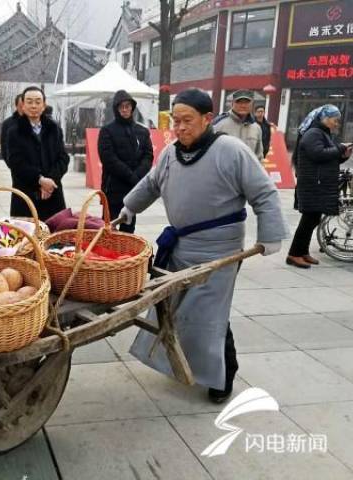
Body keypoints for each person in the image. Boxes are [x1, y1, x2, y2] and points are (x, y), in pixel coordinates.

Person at [121, 88, 287, 404]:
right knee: (176, 310)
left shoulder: (231, 150)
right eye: (175, 121)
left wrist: (270, 234)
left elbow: (264, 193)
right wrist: (130, 206)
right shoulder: (171, 152)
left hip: (220, 251)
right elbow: (152, 182)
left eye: (187, 121)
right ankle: (184, 362)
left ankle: (224, 375)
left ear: (207, 118)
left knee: (210, 316)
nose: (180, 127)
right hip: (181, 247)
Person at [287, 105, 353, 269]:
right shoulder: (313, 133)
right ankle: (294, 254)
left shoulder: (322, 133)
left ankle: (303, 252)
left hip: (317, 183)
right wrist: (339, 148)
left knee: (313, 219)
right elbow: (317, 154)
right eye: (335, 120)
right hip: (312, 184)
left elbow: (327, 159)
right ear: (324, 118)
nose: (337, 124)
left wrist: (343, 156)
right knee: (308, 220)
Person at [6, 86, 69, 221]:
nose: (33, 106)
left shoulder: (54, 129)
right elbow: (16, 163)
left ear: (44, 105)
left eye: (37, 101)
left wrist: (50, 181)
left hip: (53, 195)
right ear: (22, 105)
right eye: (29, 102)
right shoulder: (14, 132)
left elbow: (63, 158)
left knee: (54, 238)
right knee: (27, 239)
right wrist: (39, 180)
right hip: (26, 197)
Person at [98, 90, 153, 233]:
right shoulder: (107, 131)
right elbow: (108, 159)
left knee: (129, 230)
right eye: (121, 106)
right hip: (113, 189)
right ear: (116, 109)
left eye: (127, 106)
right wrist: (130, 175)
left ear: (132, 107)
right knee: (109, 231)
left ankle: (127, 257)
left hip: (133, 190)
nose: (125, 109)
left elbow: (148, 156)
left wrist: (138, 176)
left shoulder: (142, 131)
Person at [213, 90, 264, 161]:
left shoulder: (256, 128)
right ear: (232, 103)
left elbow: (259, 156)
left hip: (248, 171)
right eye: (239, 102)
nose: (243, 105)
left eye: (247, 102)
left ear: (252, 104)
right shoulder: (219, 125)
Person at [0, 93, 24, 166]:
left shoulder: (36, 121)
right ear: (16, 106)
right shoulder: (8, 124)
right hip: (16, 166)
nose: (23, 108)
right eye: (20, 106)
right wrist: (10, 163)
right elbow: (4, 146)